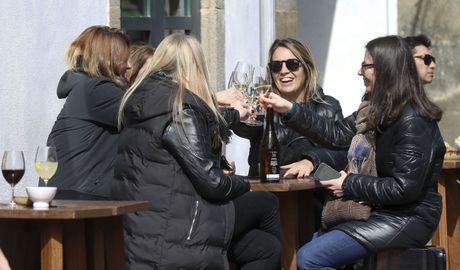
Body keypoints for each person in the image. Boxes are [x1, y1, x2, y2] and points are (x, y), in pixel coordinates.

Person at [260, 35, 445, 269]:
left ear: (385, 69)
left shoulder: (412, 119)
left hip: (407, 218)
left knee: (310, 258)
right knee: (303, 248)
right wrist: (289, 109)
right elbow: (336, 134)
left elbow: (403, 189)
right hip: (383, 213)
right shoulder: (374, 110)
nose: (359, 71)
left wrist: (348, 183)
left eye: (366, 65)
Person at [111, 33, 282, 270]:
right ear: (196, 66)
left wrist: (232, 115)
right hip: (179, 229)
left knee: (267, 247)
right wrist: (245, 184)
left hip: (144, 228)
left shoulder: (139, 100)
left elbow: (203, 125)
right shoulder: (181, 108)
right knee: (268, 201)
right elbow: (213, 184)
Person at [232, 38, 347, 178]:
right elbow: (245, 128)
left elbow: (342, 152)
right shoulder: (263, 108)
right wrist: (235, 112)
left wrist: (311, 161)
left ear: (307, 68)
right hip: (269, 192)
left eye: (292, 64)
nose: (284, 71)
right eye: (276, 66)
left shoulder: (328, 106)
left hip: (312, 193)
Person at [45, 25, 130, 199]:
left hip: (70, 192)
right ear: (108, 59)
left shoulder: (87, 88)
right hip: (78, 197)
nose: (128, 66)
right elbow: (145, 111)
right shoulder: (97, 90)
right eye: (124, 59)